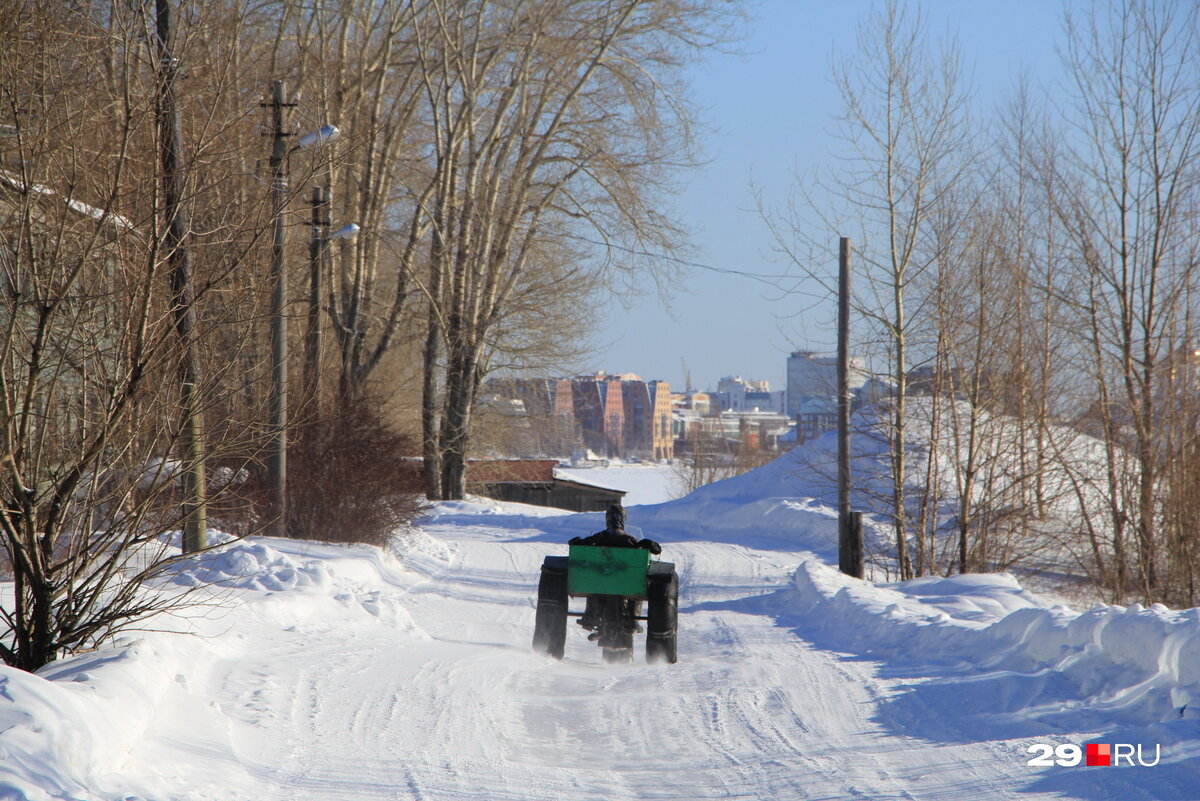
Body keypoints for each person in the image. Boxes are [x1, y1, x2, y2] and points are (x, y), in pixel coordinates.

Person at [570, 503, 661, 634]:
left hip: (599, 584)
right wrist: (648, 544)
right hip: (626, 585)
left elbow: (579, 544)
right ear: (623, 519)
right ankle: (633, 620)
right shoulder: (630, 540)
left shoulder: (598, 537)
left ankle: (590, 615)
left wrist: (578, 541)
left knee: (594, 580)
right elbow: (656, 549)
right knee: (637, 580)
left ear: (607, 519)